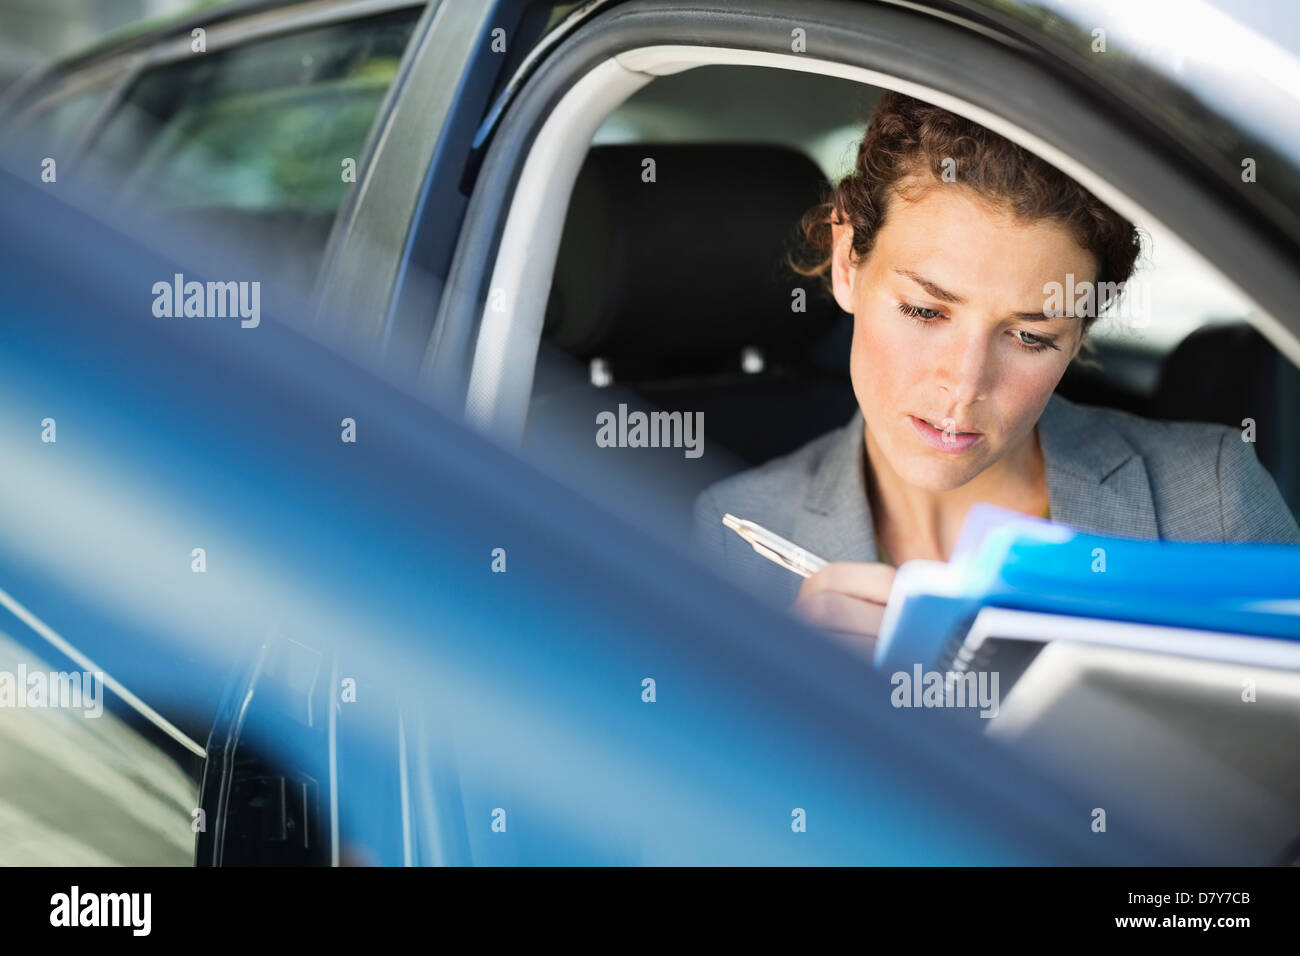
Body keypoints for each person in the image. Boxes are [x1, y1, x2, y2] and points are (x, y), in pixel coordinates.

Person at [692, 92, 1300, 657]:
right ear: (849, 261)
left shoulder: (1209, 504)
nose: (963, 385)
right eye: (925, 311)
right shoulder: (739, 534)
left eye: (1032, 337)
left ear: (1081, 332)